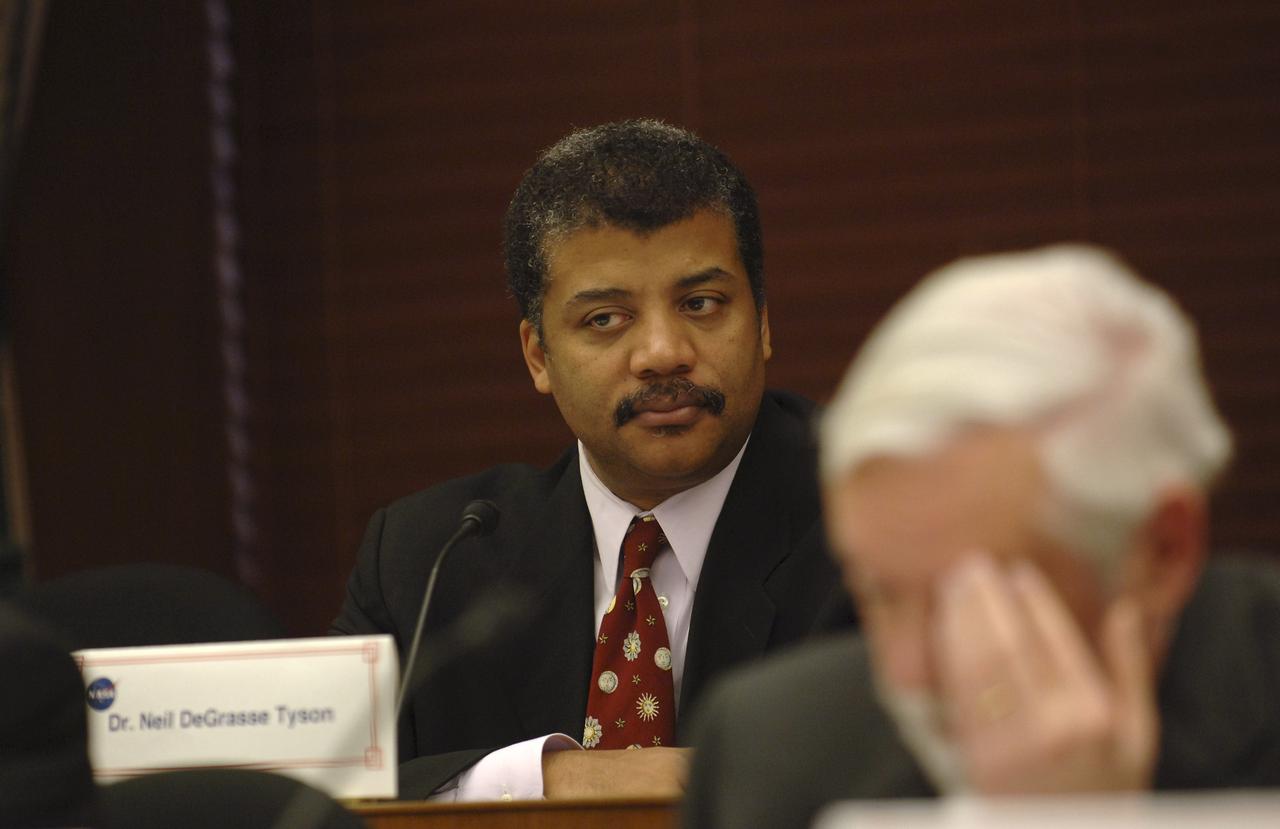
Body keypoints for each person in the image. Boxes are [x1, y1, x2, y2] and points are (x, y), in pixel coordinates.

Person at [331, 119, 852, 801]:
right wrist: (540, 778)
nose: (663, 351)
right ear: (538, 355)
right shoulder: (427, 564)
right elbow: (317, 791)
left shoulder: (874, 527)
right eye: (606, 318)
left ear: (762, 324)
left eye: (701, 303)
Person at [684, 245, 1280, 829]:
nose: (908, 675)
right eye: (880, 595)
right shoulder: (765, 751)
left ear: (1162, 552)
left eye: (967, 595)